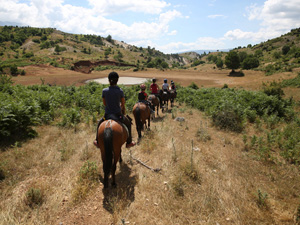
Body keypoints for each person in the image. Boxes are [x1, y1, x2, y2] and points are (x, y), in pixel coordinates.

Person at [93, 71, 136, 148]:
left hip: (107, 115)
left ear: (109, 80)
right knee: (128, 123)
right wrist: (119, 106)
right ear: (117, 80)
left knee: (99, 123)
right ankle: (129, 142)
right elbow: (123, 103)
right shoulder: (120, 91)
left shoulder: (104, 91)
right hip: (118, 114)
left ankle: (97, 141)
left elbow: (105, 103)